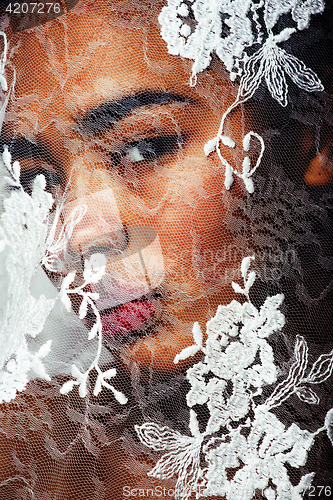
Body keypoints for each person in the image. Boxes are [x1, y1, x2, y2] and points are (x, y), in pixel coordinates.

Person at [0, 1, 332, 499]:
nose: (76, 239)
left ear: (317, 130)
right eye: (39, 180)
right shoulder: (28, 465)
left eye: (142, 147)